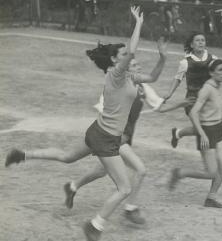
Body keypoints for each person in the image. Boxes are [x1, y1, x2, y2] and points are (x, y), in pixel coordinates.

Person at [5, 7, 163, 241]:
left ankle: (22, 154)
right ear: (114, 60)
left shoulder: (130, 77)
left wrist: (162, 58)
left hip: (98, 131)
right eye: (122, 55)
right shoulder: (116, 75)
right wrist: (138, 23)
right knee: (124, 188)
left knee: (67, 157)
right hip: (107, 139)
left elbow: (152, 78)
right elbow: (132, 51)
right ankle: (95, 225)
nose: (128, 58)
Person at [63, 48, 189, 223]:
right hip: (113, 136)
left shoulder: (143, 87)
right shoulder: (116, 85)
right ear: (125, 68)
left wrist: (181, 104)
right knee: (140, 169)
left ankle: (72, 186)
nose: (138, 66)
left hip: (123, 138)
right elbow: (103, 112)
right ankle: (129, 208)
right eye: (134, 64)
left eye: (138, 64)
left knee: (100, 171)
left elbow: (159, 107)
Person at [168, 59, 222, 208]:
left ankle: (211, 198)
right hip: (207, 132)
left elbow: (215, 113)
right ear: (211, 73)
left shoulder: (216, 87)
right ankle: (180, 173)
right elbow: (194, 113)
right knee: (211, 173)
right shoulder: (207, 89)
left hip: (218, 131)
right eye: (220, 70)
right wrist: (201, 134)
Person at [164, 32, 217, 148]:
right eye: (197, 40)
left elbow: (217, 76)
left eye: (203, 40)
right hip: (192, 100)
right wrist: (169, 93)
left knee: (205, 128)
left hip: (207, 100)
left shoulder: (213, 59)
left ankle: (178, 133)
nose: (201, 42)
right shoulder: (185, 62)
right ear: (192, 45)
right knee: (201, 129)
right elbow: (178, 79)